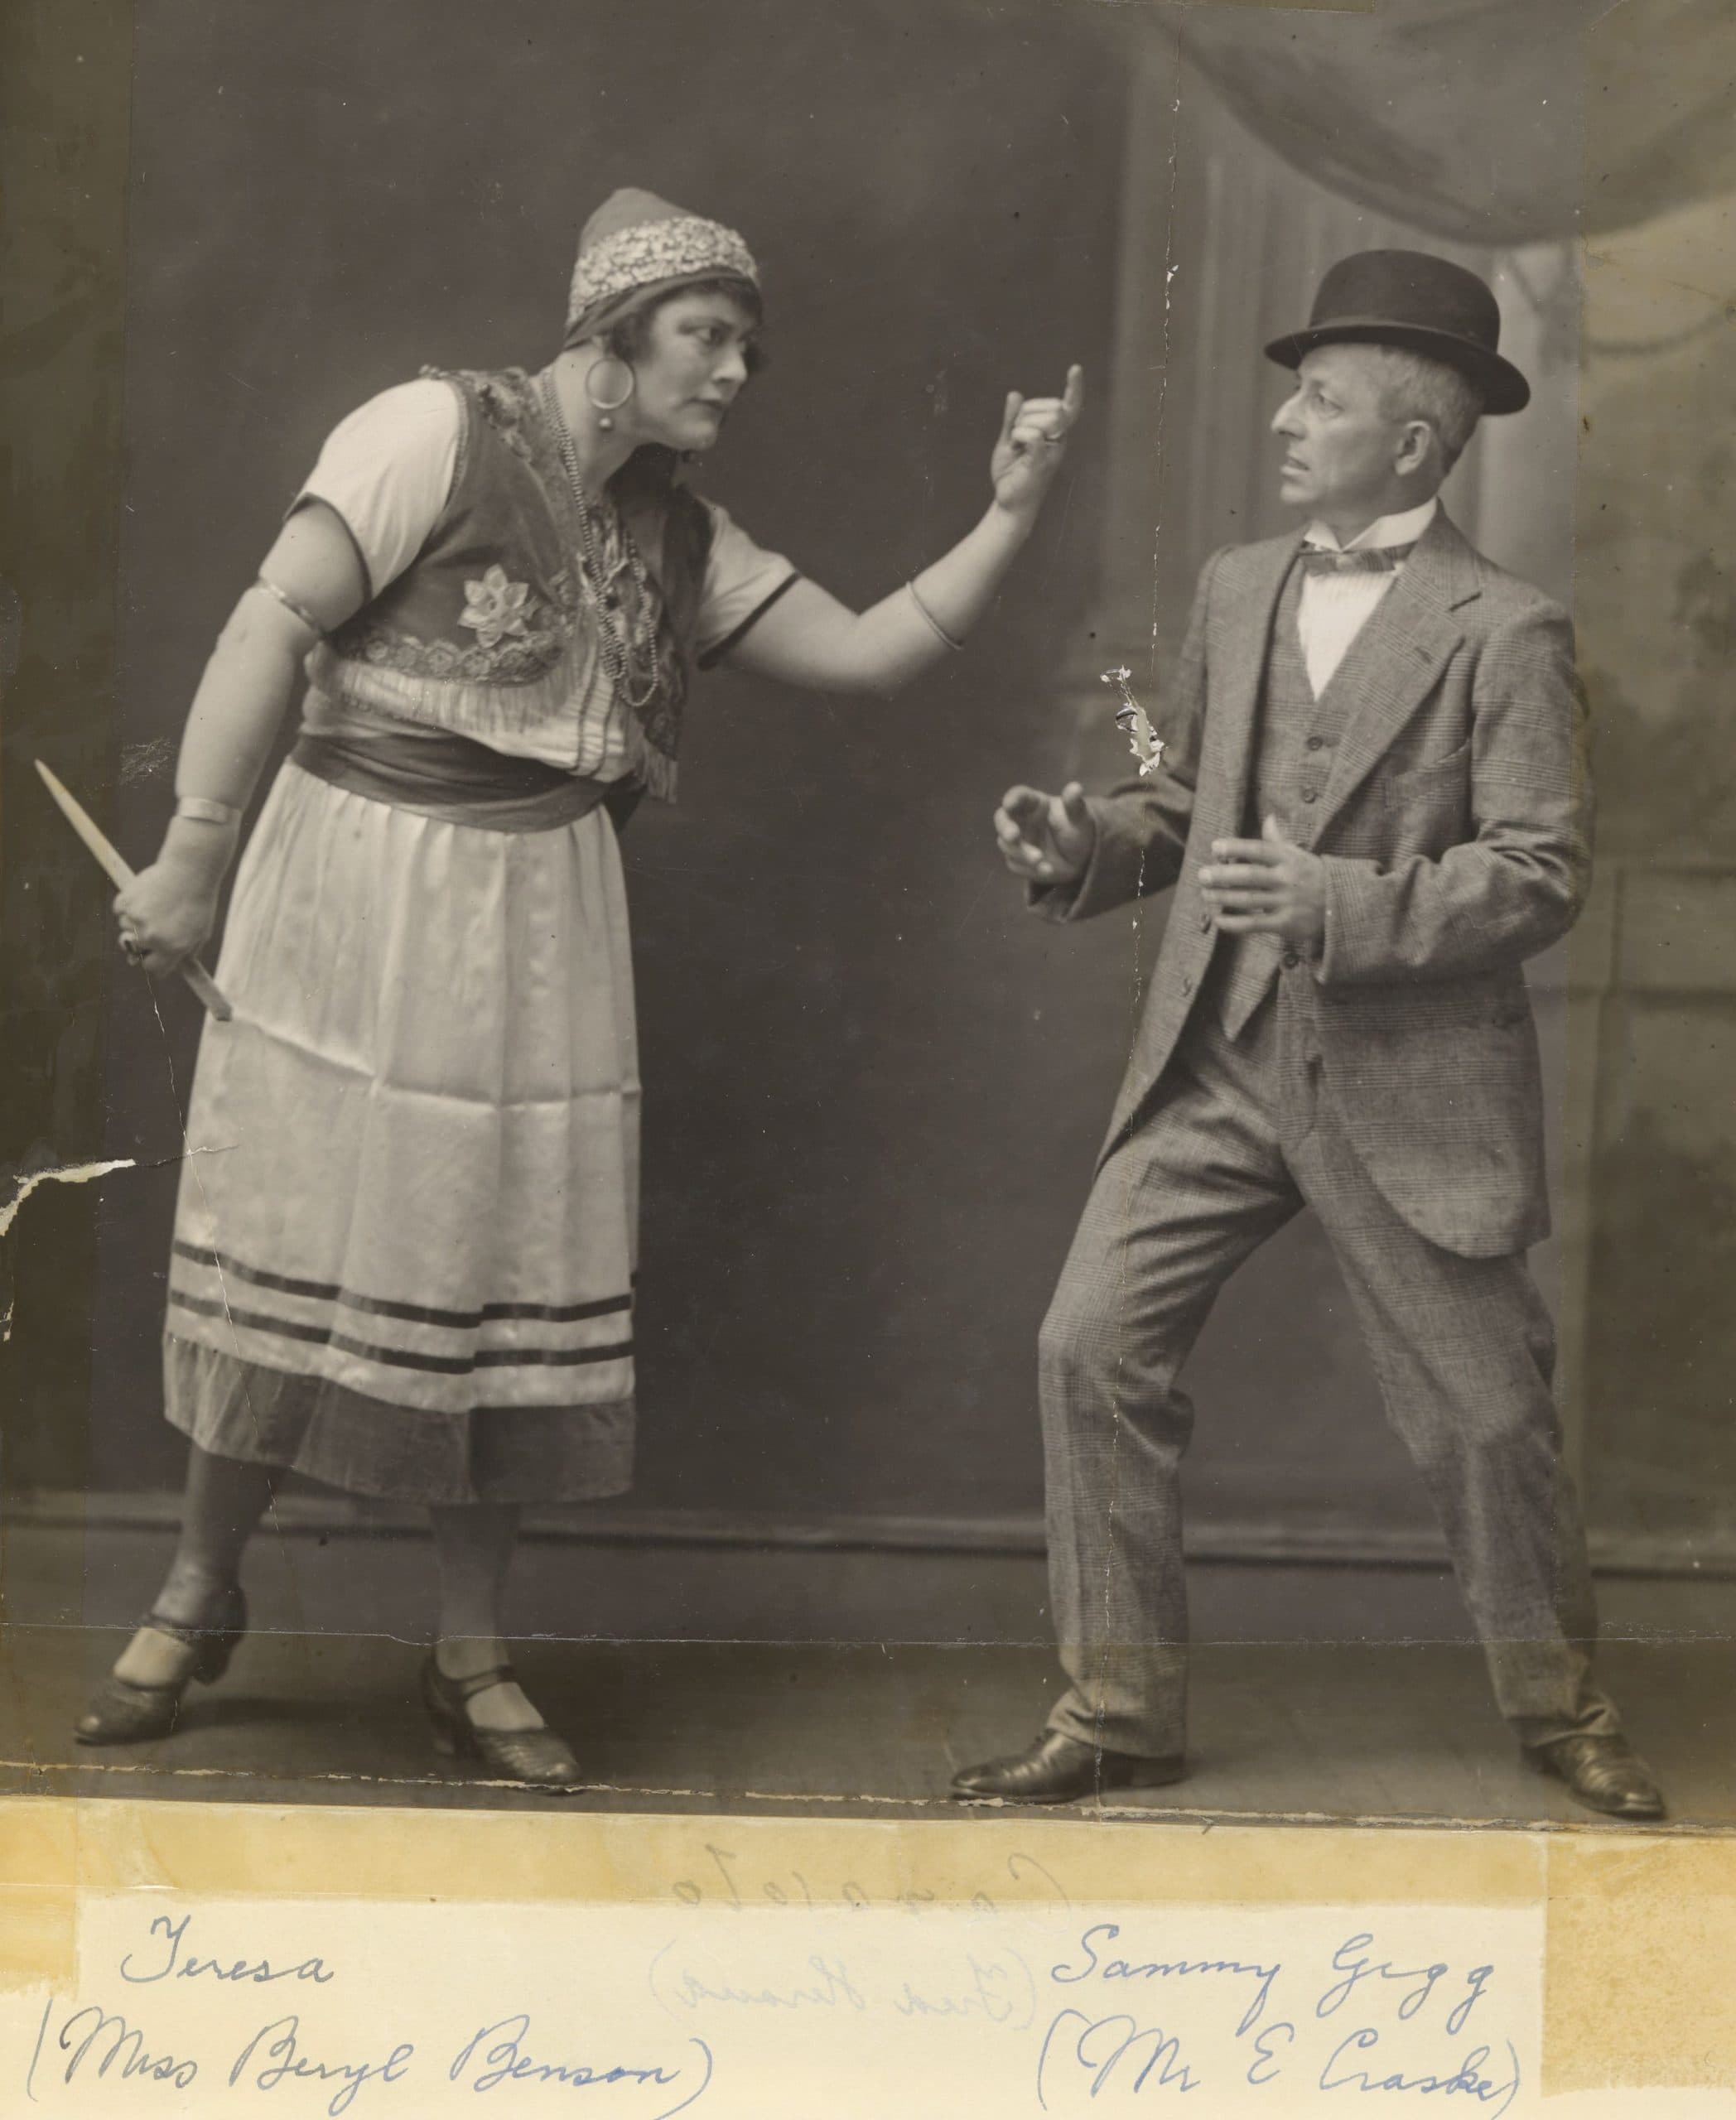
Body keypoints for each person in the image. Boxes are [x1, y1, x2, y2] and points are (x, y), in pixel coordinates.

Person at [80, 187, 1083, 1787]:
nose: (736, 371)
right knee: (289, 1226)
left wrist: (1013, 510)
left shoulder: (680, 538)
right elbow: (272, 620)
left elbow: (879, 651)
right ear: (607, 345)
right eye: (706, 336)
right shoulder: (431, 433)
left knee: (500, 1267)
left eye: (747, 344)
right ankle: (199, 1592)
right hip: (350, 882)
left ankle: (470, 1654)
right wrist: (196, 849)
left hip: (542, 914)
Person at [957, 251, 1664, 1821]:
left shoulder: (1509, 629)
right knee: (1089, 1346)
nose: (1287, 421)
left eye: (1323, 401)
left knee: (1487, 1418)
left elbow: (1543, 873)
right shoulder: (1233, 586)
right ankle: (1118, 1707)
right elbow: (1187, 803)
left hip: (1407, 1085)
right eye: (1296, 391)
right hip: (1215, 1056)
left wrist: (1339, 903)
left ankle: (1564, 1711)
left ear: (1413, 445)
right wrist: (1083, 849)